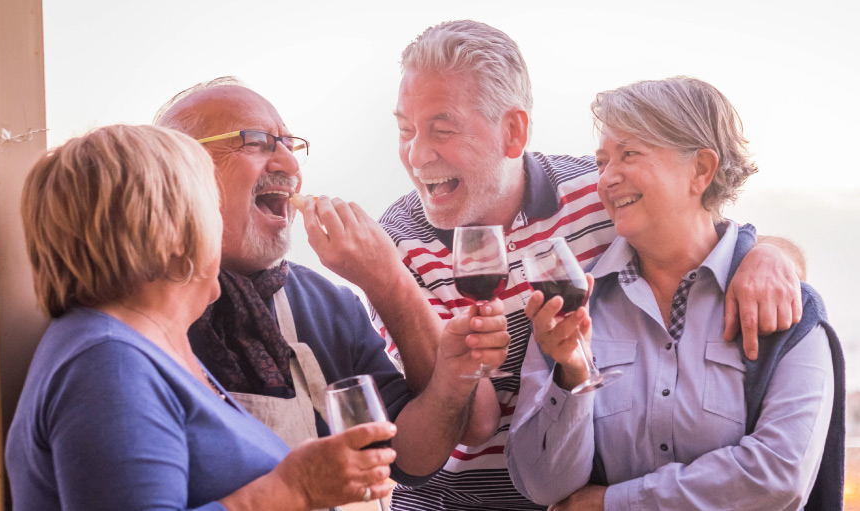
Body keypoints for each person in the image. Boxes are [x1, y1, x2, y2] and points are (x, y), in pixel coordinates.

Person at [365, 20, 807, 510]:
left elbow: (710, 238)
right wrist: (393, 288)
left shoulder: (603, 196)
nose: (417, 153)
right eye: (405, 130)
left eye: (441, 129)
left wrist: (771, 255)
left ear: (513, 131)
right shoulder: (397, 243)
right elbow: (464, 428)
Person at [5, 124, 400, 510]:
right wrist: (295, 488)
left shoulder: (145, 348)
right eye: (210, 207)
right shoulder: (107, 364)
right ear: (173, 232)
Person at [153, 78, 510, 495]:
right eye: (256, 142)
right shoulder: (141, 311)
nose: (288, 163)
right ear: (177, 170)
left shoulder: (325, 302)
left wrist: (452, 375)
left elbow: (407, 456)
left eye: (288, 143)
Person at [506, 76, 844, 510]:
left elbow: (779, 475)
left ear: (701, 170)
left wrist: (611, 504)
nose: (607, 178)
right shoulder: (574, 307)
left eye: (629, 154)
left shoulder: (786, 306)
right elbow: (543, 486)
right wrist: (571, 372)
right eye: (602, 162)